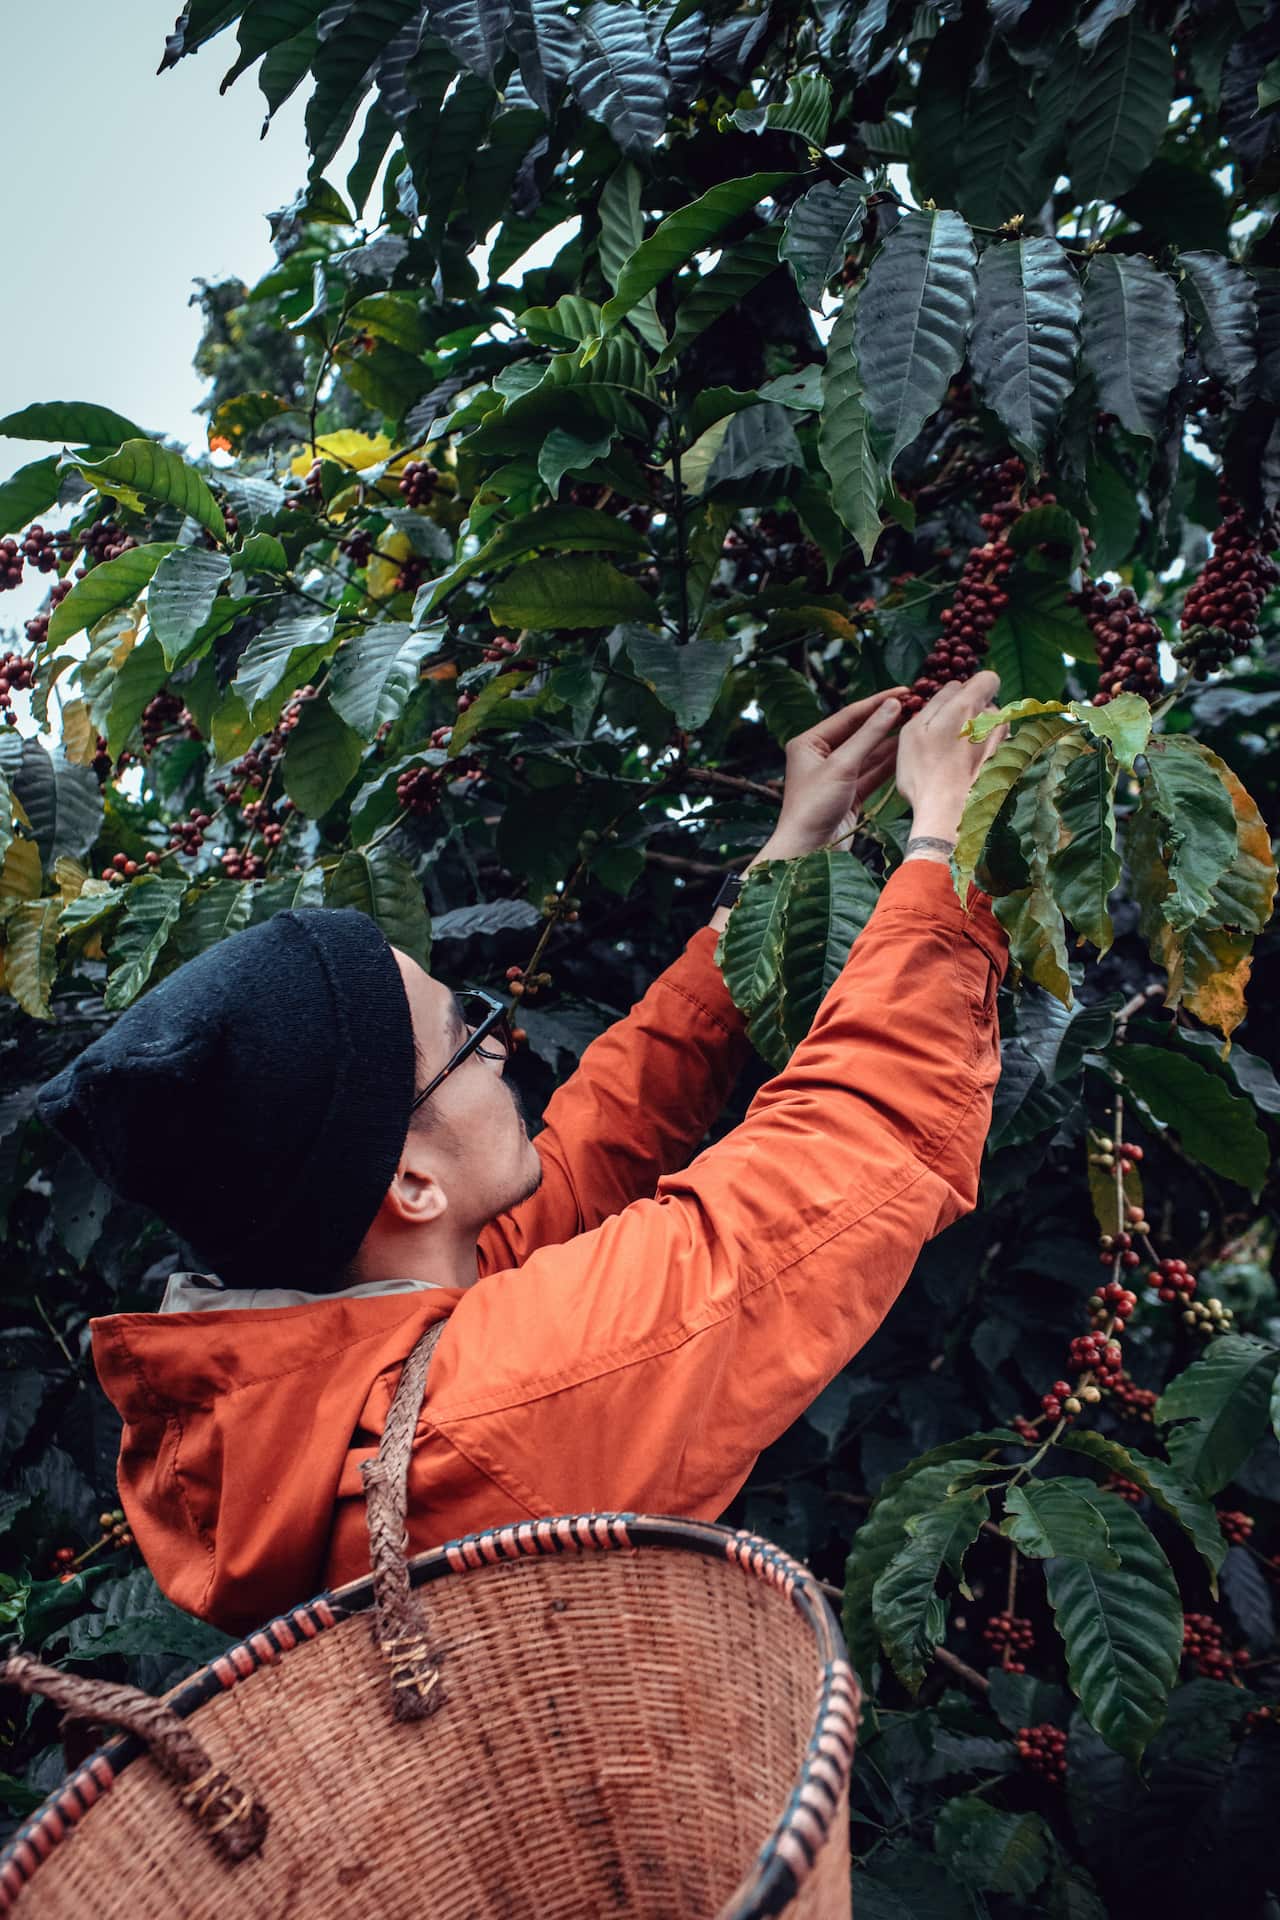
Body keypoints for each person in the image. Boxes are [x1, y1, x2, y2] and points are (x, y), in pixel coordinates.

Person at [38, 671, 1009, 1636]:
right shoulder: (489, 1418)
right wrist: (944, 840)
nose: (499, 1046)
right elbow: (843, 1157)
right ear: (412, 1184)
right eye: (465, 1036)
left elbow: (600, 1141)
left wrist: (781, 861)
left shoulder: (332, 1381)